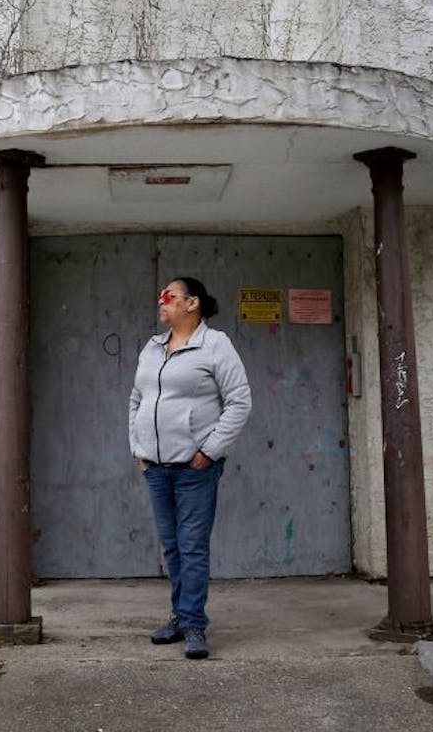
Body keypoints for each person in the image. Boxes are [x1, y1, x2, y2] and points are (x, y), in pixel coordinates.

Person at [128, 276, 252, 660]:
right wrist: (139, 448)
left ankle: (195, 624)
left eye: (169, 296)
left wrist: (210, 451)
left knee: (193, 547)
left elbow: (239, 402)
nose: (161, 301)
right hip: (156, 467)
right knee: (173, 547)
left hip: (195, 468)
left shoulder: (216, 346)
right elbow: (136, 398)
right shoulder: (152, 348)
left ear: (192, 303)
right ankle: (180, 618)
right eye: (159, 296)